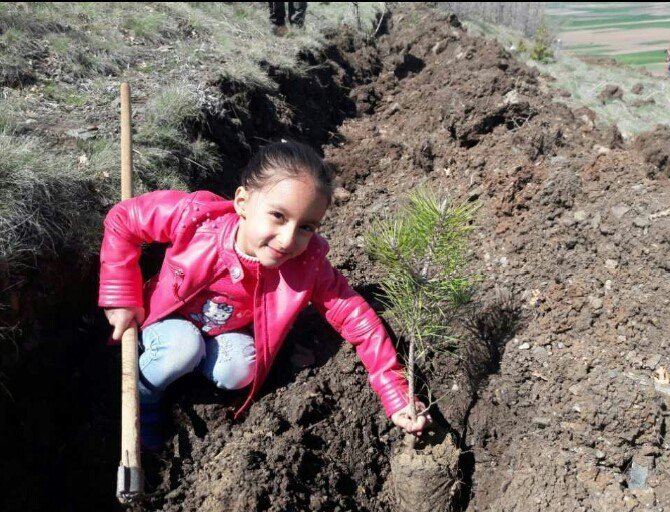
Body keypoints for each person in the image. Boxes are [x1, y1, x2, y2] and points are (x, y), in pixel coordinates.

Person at [99, 141, 429, 450]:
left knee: (243, 366)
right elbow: (124, 219)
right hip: (166, 323)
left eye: (306, 227)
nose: (288, 239)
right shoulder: (196, 218)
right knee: (182, 346)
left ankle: (188, 376)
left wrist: (397, 394)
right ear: (243, 202)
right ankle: (146, 397)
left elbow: (356, 318)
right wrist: (120, 295)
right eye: (278, 216)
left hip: (221, 333)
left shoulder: (306, 265)